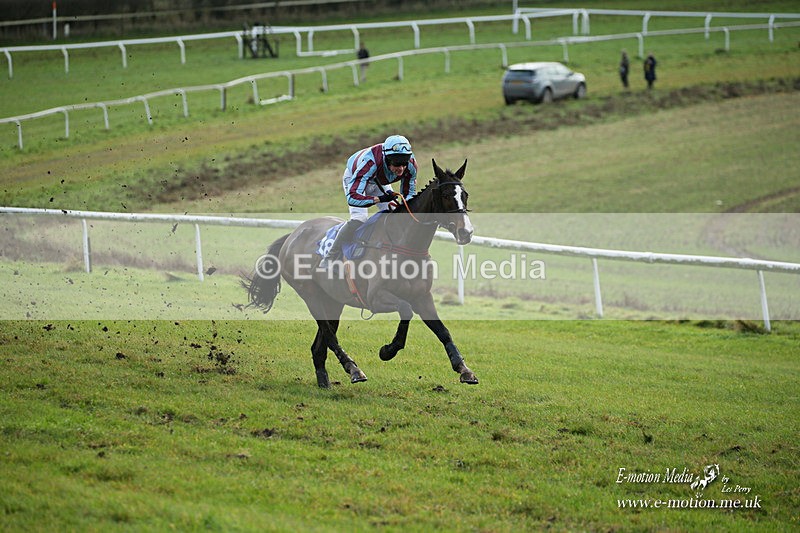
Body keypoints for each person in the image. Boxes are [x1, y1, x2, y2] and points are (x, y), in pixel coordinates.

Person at [321, 134, 418, 267]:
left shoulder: (411, 165)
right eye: (396, 164)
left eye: (404, 163)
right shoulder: (370, 162)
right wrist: (379, 199)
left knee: (395, 215)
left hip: (378, 180)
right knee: (359, 219)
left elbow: (409, 195)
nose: (401, 169)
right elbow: (353, 198)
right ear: (387, 159)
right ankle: (330, 255)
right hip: (356, 179)